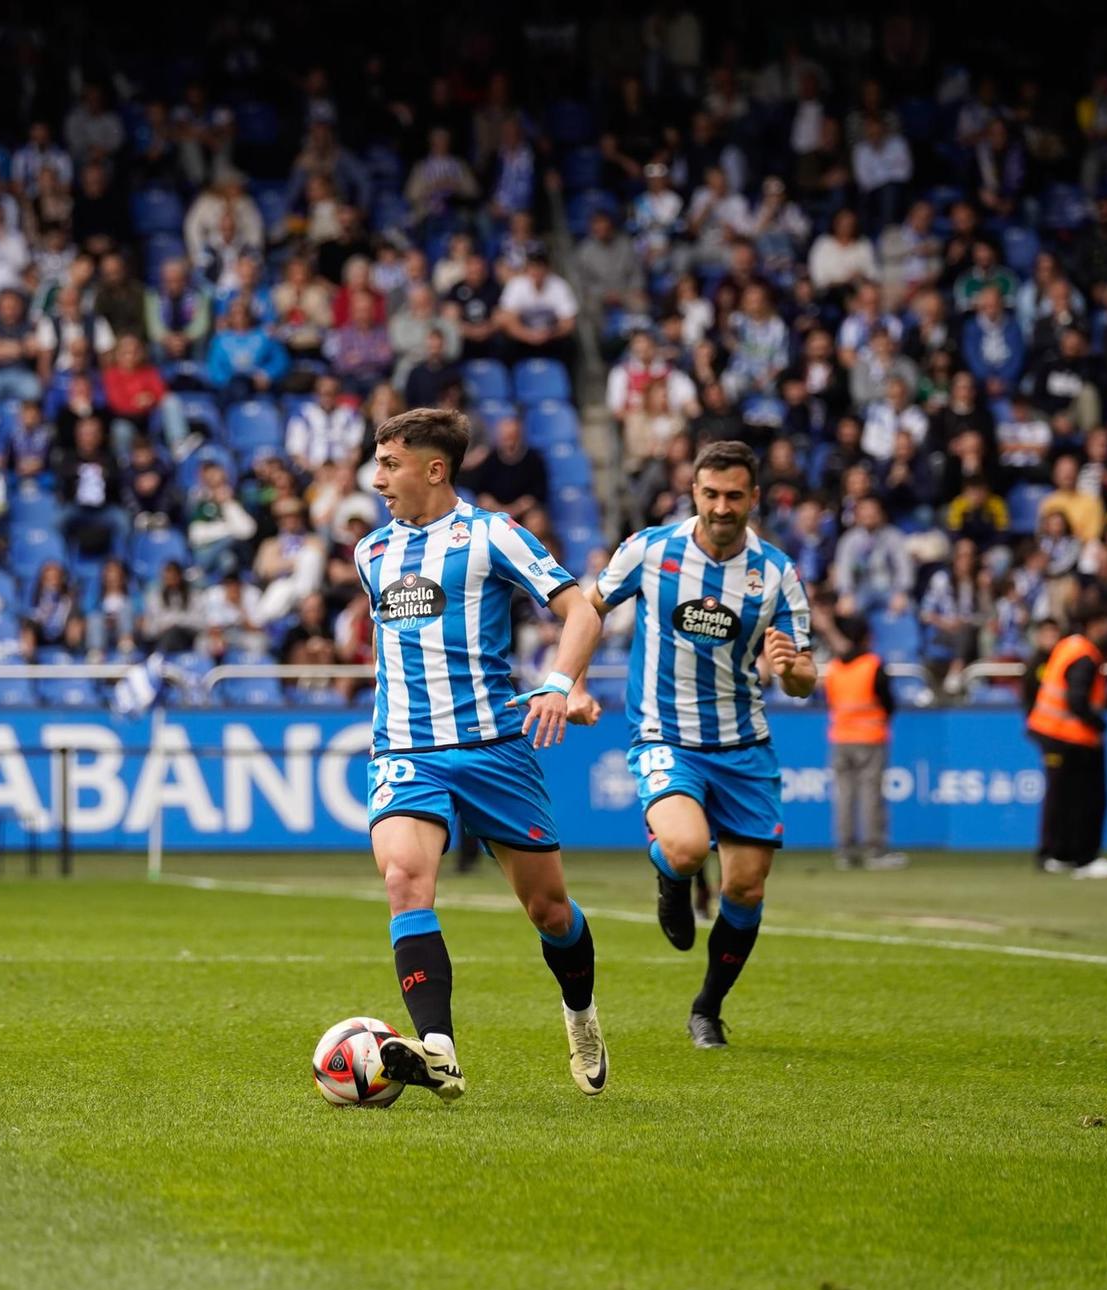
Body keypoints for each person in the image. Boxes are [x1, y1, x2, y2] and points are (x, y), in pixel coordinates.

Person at [355, 407, 607, 1101]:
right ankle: (438, 1048)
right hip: (405, 748)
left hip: (494, 748)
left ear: (434, 469)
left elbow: (581, 609)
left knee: (550, 911)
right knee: (405, 877)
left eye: (389, 465)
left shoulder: (493, 535)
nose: (377, 479)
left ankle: (581, 1013)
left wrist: (561, 685)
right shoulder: (370, 553)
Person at [587, 440, 818, 1050]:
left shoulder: (776, 574)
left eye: (734, 496)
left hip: (744, 744)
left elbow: (803, 678)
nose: (721, 507)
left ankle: (707, 1008)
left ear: (754, 498)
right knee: (687, 847)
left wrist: (789, 666)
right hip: (666, 735)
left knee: (746, 888)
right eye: (711, 494)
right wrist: (570, 681)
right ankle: (672, 877)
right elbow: (588, 609)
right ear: (694, 492)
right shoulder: (649, 550)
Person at [1026, 607, 1107, 879]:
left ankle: (1059, 853)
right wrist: (1098, 722)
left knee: (1061, 797)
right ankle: (1080, 857)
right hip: (1071, 737)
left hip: (1053, 733)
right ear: (1097, 624)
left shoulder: (1068, 646)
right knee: (1083, 798)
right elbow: (1077, 700)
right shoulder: (1085, 655)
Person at [825, 615, 905, 870]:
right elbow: (889, 701)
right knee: (871, 795)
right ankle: (875, 850)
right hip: (870, 738)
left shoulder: (834, 668)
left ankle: (845, 851)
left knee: (845, 795)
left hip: (840, 737)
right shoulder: (872, 665)